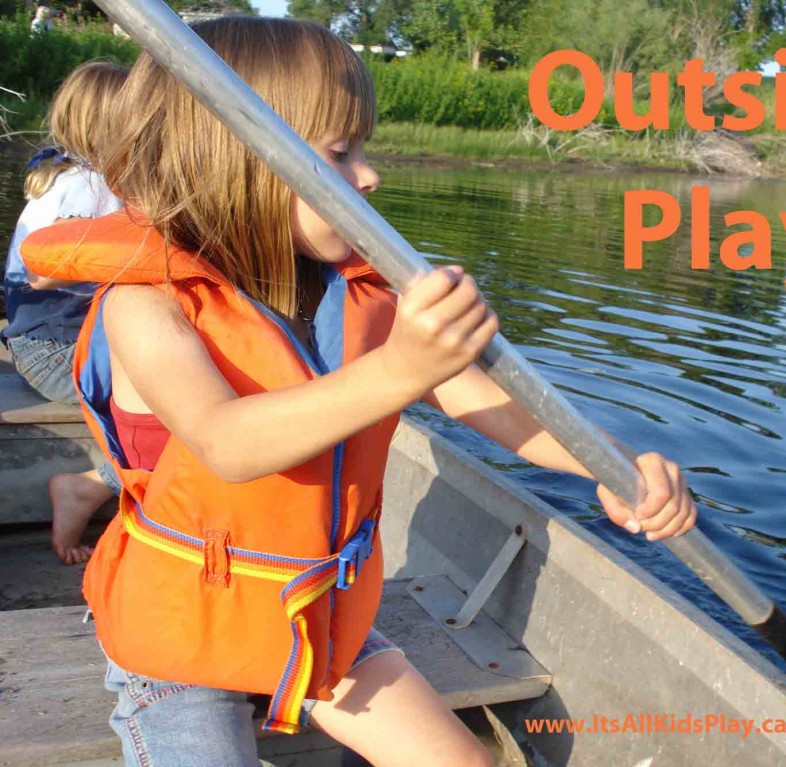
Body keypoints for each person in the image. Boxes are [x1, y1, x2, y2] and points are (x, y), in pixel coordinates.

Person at [20, 17, 698, 767]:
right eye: (340, 154)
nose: (370, 176)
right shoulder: (146, 304)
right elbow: (227, 442)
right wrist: (400, 370)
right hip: (181, 631)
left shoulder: (351, 293)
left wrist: (609, 467)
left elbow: (478, 397)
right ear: (232, 159)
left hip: (306, 606)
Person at [2, 61, 128, 565]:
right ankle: (91, 487)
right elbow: (44, 274)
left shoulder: (86, 177)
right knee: (177, 407)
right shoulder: (85, 185)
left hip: (56, 339)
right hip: (55, 348)